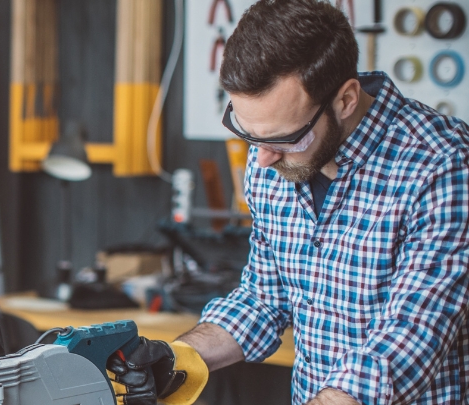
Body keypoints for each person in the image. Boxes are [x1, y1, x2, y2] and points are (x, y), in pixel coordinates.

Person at [110, 1, 469, 404]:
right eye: (248, 133)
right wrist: (181, 358)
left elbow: (411, 336)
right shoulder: (270, 150)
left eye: (286, 138)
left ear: (346, 100)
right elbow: (264, 297)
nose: (262, 158)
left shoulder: (441, 164)